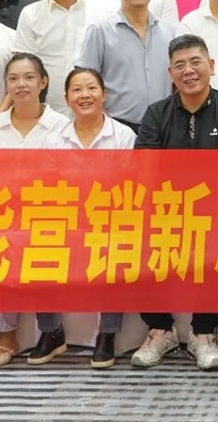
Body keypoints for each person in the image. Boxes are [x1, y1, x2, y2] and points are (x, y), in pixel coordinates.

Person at [133, 34, 218, 370]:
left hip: (216, 212)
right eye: (180, 65)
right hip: (166, 209)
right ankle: (160, 330)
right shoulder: (156, 114)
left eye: (196, 62)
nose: (189, 71)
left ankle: (204, 333)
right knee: (131, 242)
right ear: (170, 73)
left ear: (211, 66)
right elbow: (145, 170)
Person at [32, 67, 138, 369]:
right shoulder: (55, 140)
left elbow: (128, 186)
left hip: (112, 220)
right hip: (68, 219)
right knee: (38, 246)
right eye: (76, 90)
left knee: (118, 246)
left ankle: (107, 334)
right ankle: (51, 332)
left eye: (91, 88)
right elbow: (50, 188)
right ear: (67, 98)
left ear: (104, 95)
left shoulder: (123, 136)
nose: (84, 95)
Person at [0, 53, 68, 369]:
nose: (21, 84)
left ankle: (6, 333)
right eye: (13, 79)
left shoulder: (61, 125)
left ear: (43, 82)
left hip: (46, 210)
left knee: (21, 240)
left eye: (28, 77)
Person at [75, 0, 174, 133]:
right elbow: (84, 81)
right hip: (117, 128)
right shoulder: (101, 32)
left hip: (165, 127)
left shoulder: (170, 32)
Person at [12, 0, 91, 116]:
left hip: (92, 111)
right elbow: (22, 67)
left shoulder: (100, 10)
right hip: (46, 114)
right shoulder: (31, 13)